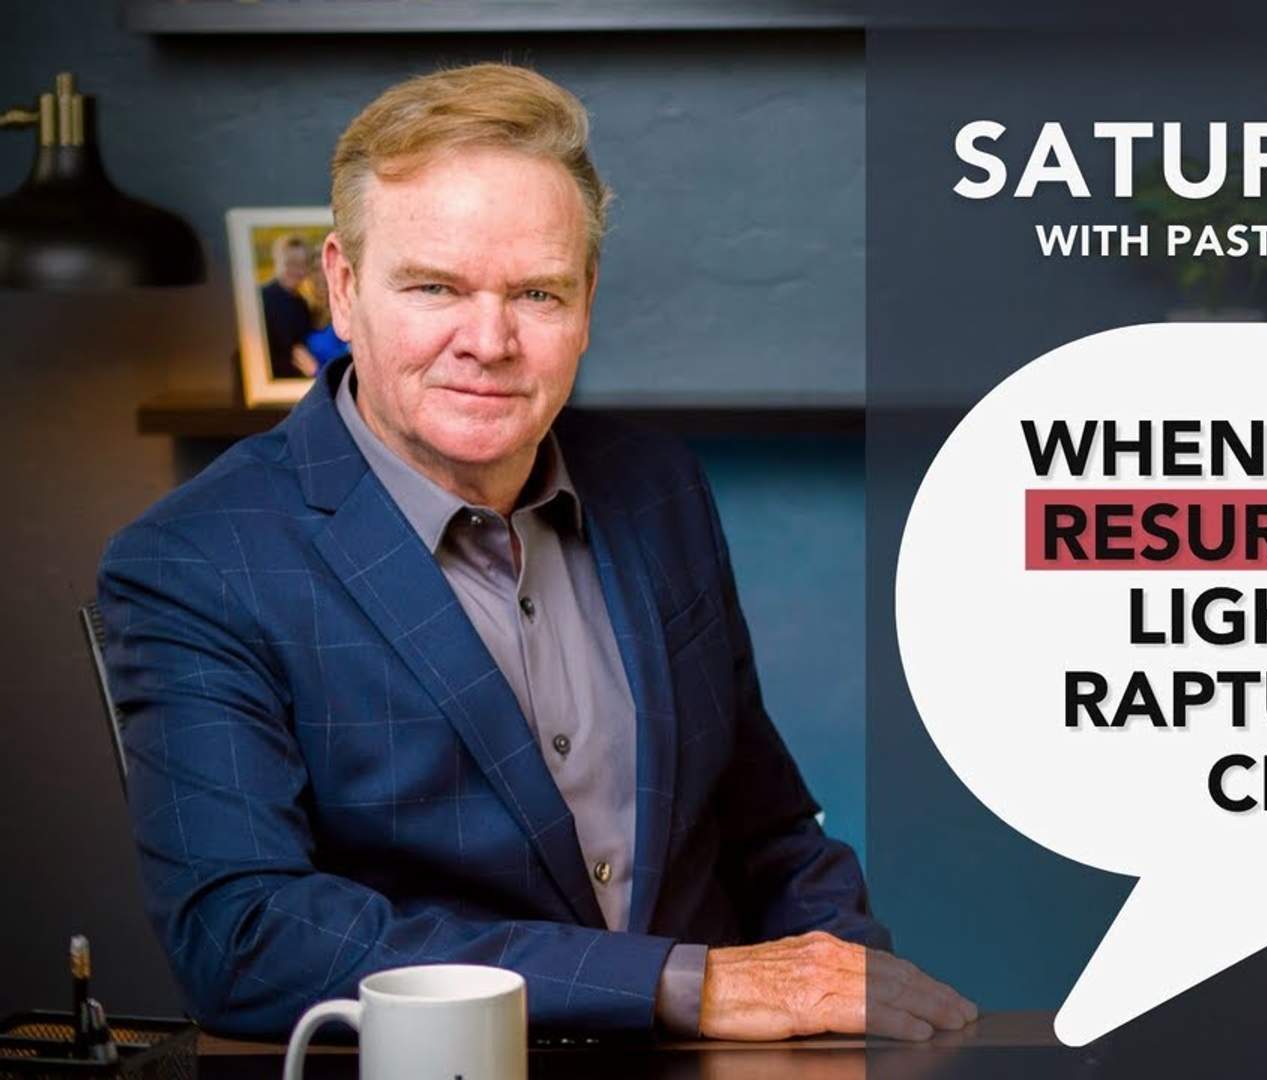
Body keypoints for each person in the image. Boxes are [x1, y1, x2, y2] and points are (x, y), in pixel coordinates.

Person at [97, 64, 973, 1042]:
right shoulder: (195, 562)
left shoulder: (658, 487)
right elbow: (245, 937)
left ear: (588, 298)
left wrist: (854, 1009)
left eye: (538, 294)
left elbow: (765, 832)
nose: (489, 340)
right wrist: (688, 987)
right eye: (435, 286)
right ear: (343, 289)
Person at [259, 234, 316, 378]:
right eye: (290, 263)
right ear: (277, 261)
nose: (297, 270)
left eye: (302, 265)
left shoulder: (302, 304)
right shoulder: (260, 298)